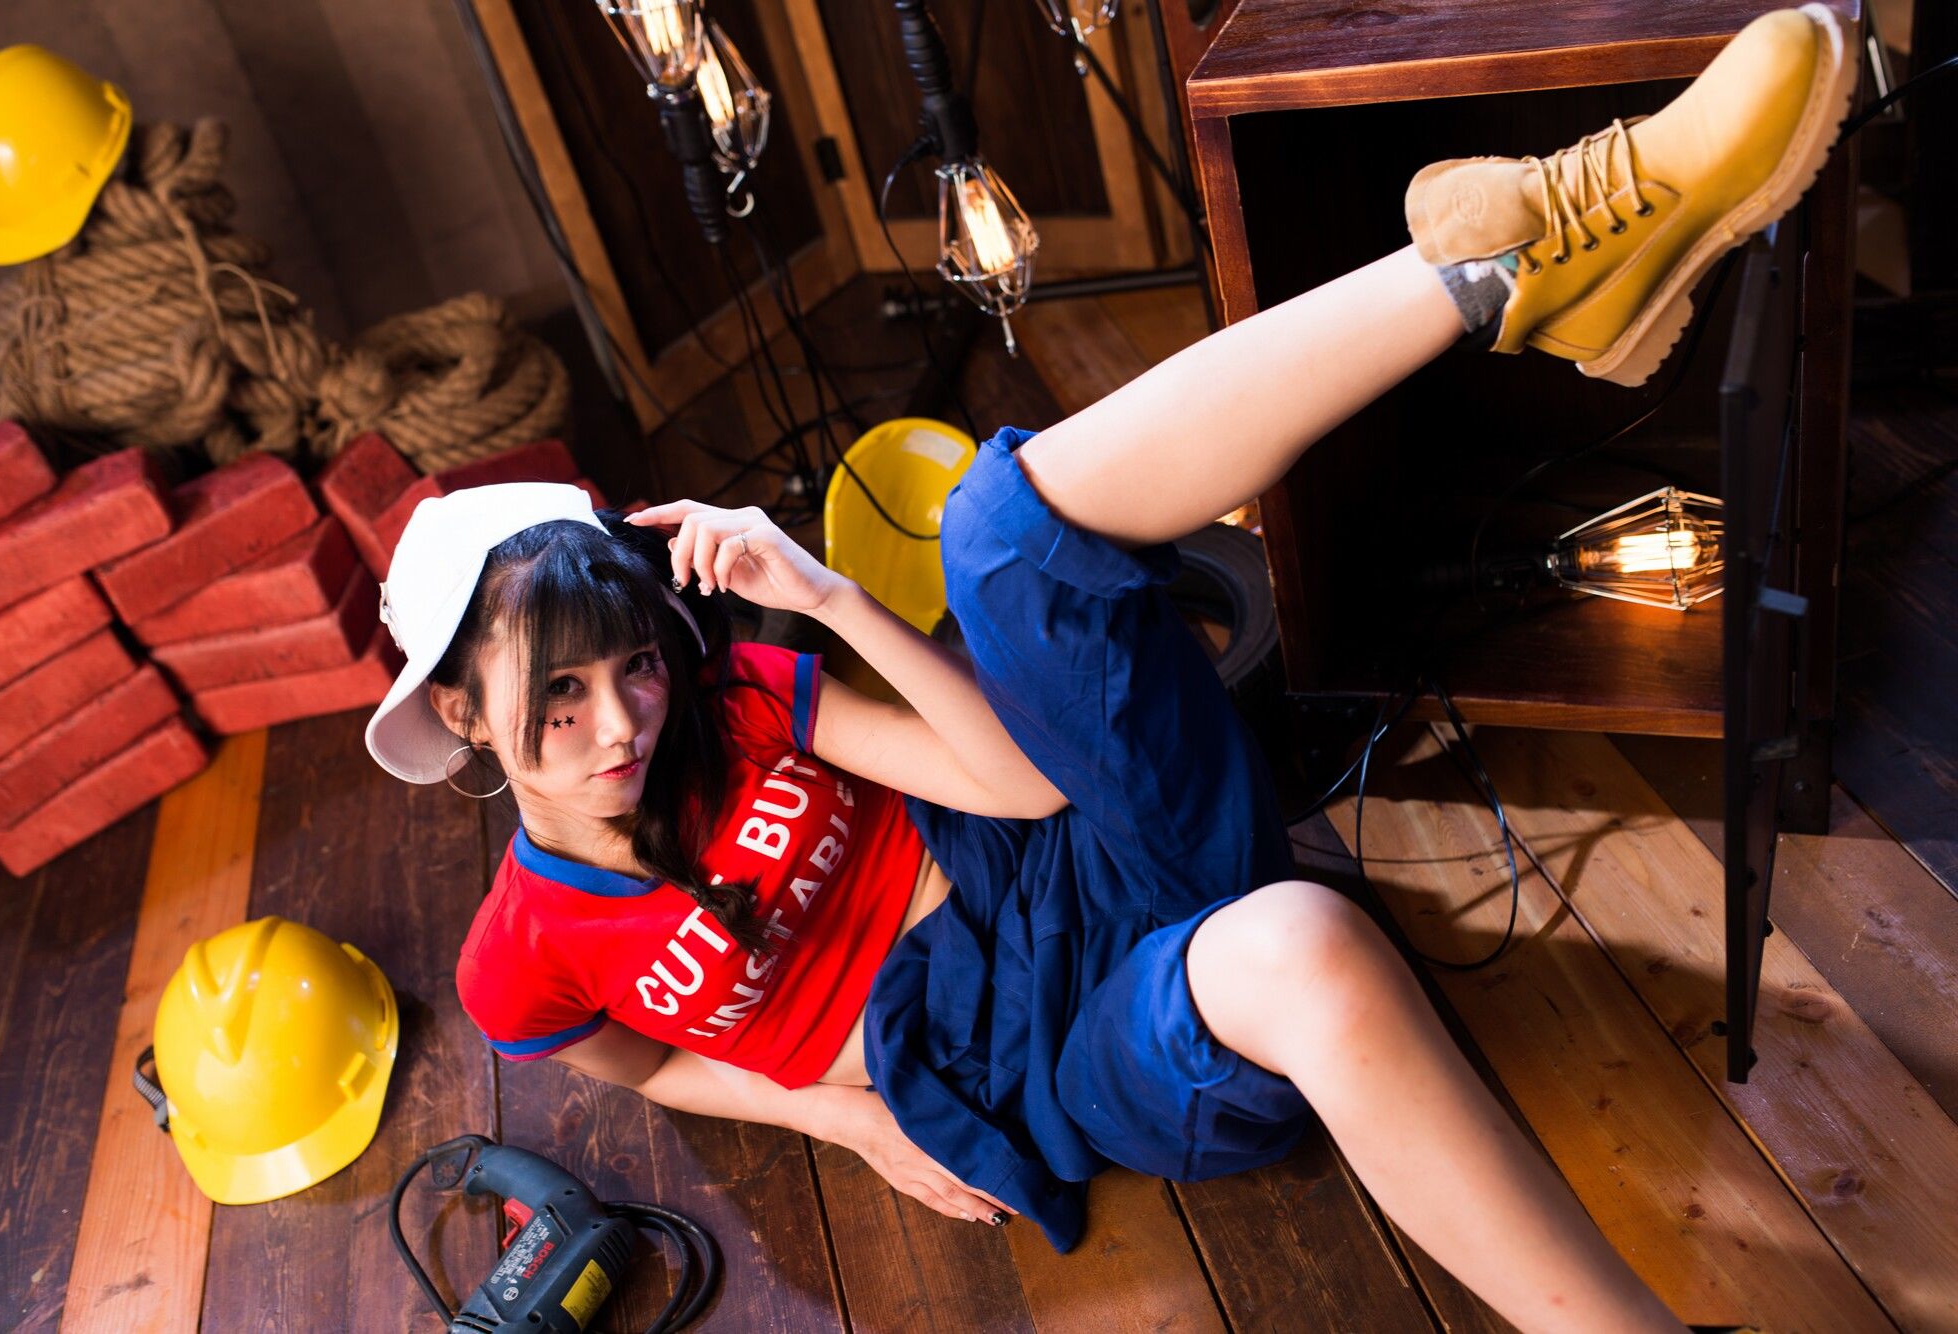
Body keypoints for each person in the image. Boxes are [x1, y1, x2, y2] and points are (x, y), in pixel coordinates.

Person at [363, 9, 1851, 1329]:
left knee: (995, 523)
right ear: (460, 717)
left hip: (1067, 855)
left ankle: (1513, 254)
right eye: (557, 701)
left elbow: (1015, 788)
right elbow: (640, 1067)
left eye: (633, 664)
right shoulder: (516, 954)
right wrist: (846, 1121)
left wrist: (825, 595)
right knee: (1308, 945)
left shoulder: (738, 700)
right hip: (1042, 1058)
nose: (619, 722)